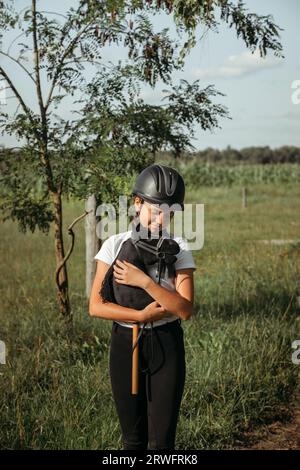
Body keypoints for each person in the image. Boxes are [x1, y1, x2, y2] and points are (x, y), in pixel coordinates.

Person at [89, 164, 197, 450]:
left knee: (162, 442)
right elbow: (96, 306)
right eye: (156, 209)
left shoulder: (180, 247)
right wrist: (140, 315)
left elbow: (184, 309)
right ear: (137, 203)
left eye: (169, 212)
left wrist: (144, 282)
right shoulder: (114, 244)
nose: (162, 218)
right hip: (125, 342)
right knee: (133, 440)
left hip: (166, 343)